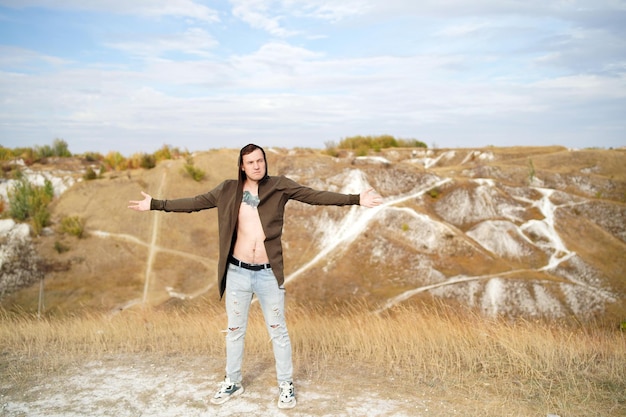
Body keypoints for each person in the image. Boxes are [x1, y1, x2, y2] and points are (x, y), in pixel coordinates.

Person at [128, 144, 383, 409]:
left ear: (265, 162)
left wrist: (355, 199)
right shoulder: (228, 189)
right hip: (237, 272)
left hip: (268, 274)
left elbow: (314, 196)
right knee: (235, 331)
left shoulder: (280, 186)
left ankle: (286, 385)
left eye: (260, 160)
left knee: (278, 332)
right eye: (250, 162)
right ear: (242, 166)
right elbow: (194, 203)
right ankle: (233, 382)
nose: (257, 166)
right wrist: (155, 204)